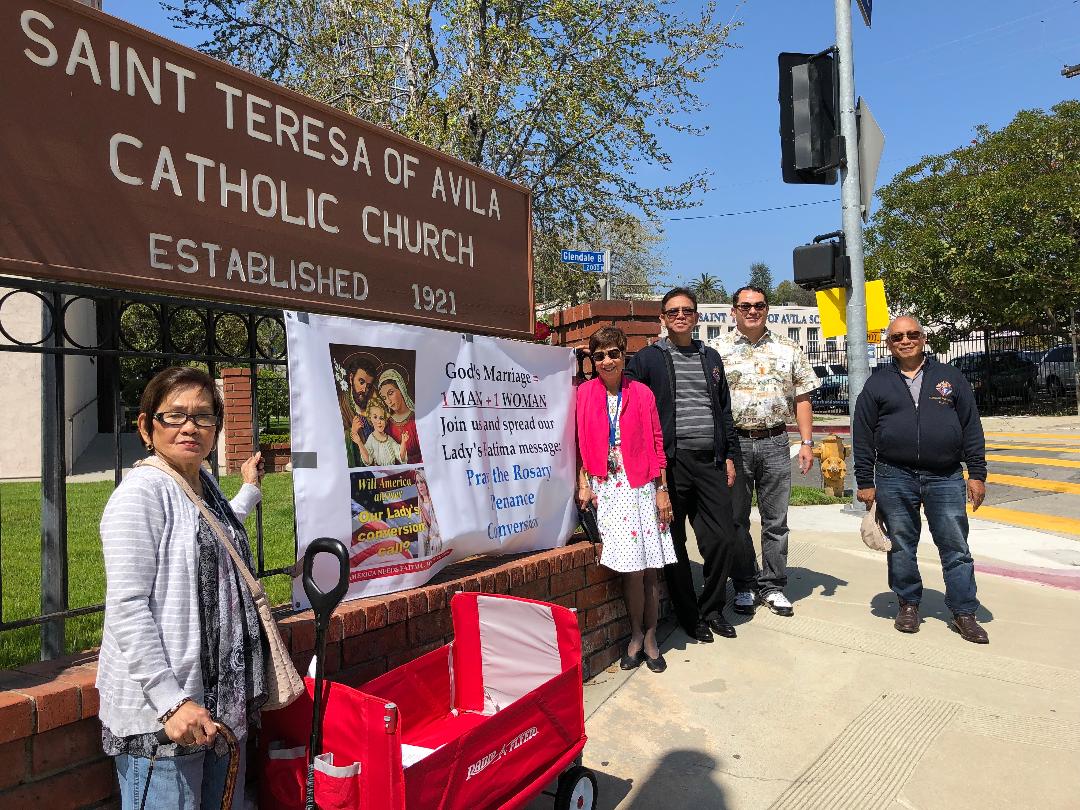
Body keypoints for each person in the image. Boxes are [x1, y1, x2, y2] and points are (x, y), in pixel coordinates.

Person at [97, 367, 267, 808]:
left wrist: (248, 491)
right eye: (174, 415)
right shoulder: (141, 494)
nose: (190, 427)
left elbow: (214, 534)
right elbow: (127, 607)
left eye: (203, 416)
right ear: (146, 426)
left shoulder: (201, 484)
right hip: (168, 719)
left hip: (218, 709)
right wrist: (171, 703)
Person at [853, 316, 990, 644]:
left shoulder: (949, 377)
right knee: (901, 545)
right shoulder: (877, 383)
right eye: (897, 336)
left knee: (955, 545)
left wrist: (977, 474)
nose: (906, 340)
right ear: (889, 344)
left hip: (945, 475)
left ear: (923, 338)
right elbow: (862, 434)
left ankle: (964, 612)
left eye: (912, 334)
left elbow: (971, 426)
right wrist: (865, 481)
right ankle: (908, 604)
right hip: (894, 475)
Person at [627, 288, 740, 643]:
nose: (680, 316)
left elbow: (724, 410)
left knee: (723, 538)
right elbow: (630, 411)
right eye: (673, 311)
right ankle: (690, 616)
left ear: (696, 317)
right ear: (662, 318)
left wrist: (729, 455)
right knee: (673, 543)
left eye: (687, 311)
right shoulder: (647, 359)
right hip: (670, 466)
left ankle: (713, 609)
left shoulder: (711, 357)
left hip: (710, 462)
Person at [713, 285, 819, 618]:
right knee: (736, 519)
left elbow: (803, 397)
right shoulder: (716, 351)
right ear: (734, 311)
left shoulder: (789, 348)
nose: (752, 311)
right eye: (745, 306)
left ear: (767, 309)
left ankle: (772, 585)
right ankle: (745, 583)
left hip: (775, 441)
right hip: (735, 443)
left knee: (776, 521)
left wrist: (807, 442)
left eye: (759, 305)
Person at [577, 326, 676, 672]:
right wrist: (584, 483)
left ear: (623, 356)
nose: (607, 361)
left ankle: (651, 637)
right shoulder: (584, 394)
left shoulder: (642, 393)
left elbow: (657, 443)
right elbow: (579, 442)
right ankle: (635, 634)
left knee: (649, 570)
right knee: (630, 570)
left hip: (642, 485)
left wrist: (662, 490)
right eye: (599, 355)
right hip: (608, 488)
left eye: (613, 354)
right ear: (593, 360)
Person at [340, 354, 379, 467]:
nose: (364, 389)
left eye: (368, 386)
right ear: (351, 378)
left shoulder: (374, 403)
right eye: (361, 382)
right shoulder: (343, 406)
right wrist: (352, 433)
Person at [379, 368, 423, 464]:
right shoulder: (387, 424)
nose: (388, 401)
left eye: (391, 393)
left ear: (401, 389)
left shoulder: (416, 419)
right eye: (384, 398)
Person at [353, 395, 408, 466]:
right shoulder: (371, 439)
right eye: (375, 417)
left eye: (381, 418)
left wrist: (403, 442)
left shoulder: (389, 439)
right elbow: (367, 460)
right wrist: (359, 443)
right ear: (370, 418)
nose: (379, 421)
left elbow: (402, 457)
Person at [414, 470, 443, 557]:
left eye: (422, 482)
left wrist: (428, 519)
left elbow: (440, 528)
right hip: (427, 550)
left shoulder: (436, 502)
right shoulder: (419, 505)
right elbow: (422, 535)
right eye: (417, 482)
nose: (420, 485)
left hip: (439, 546)